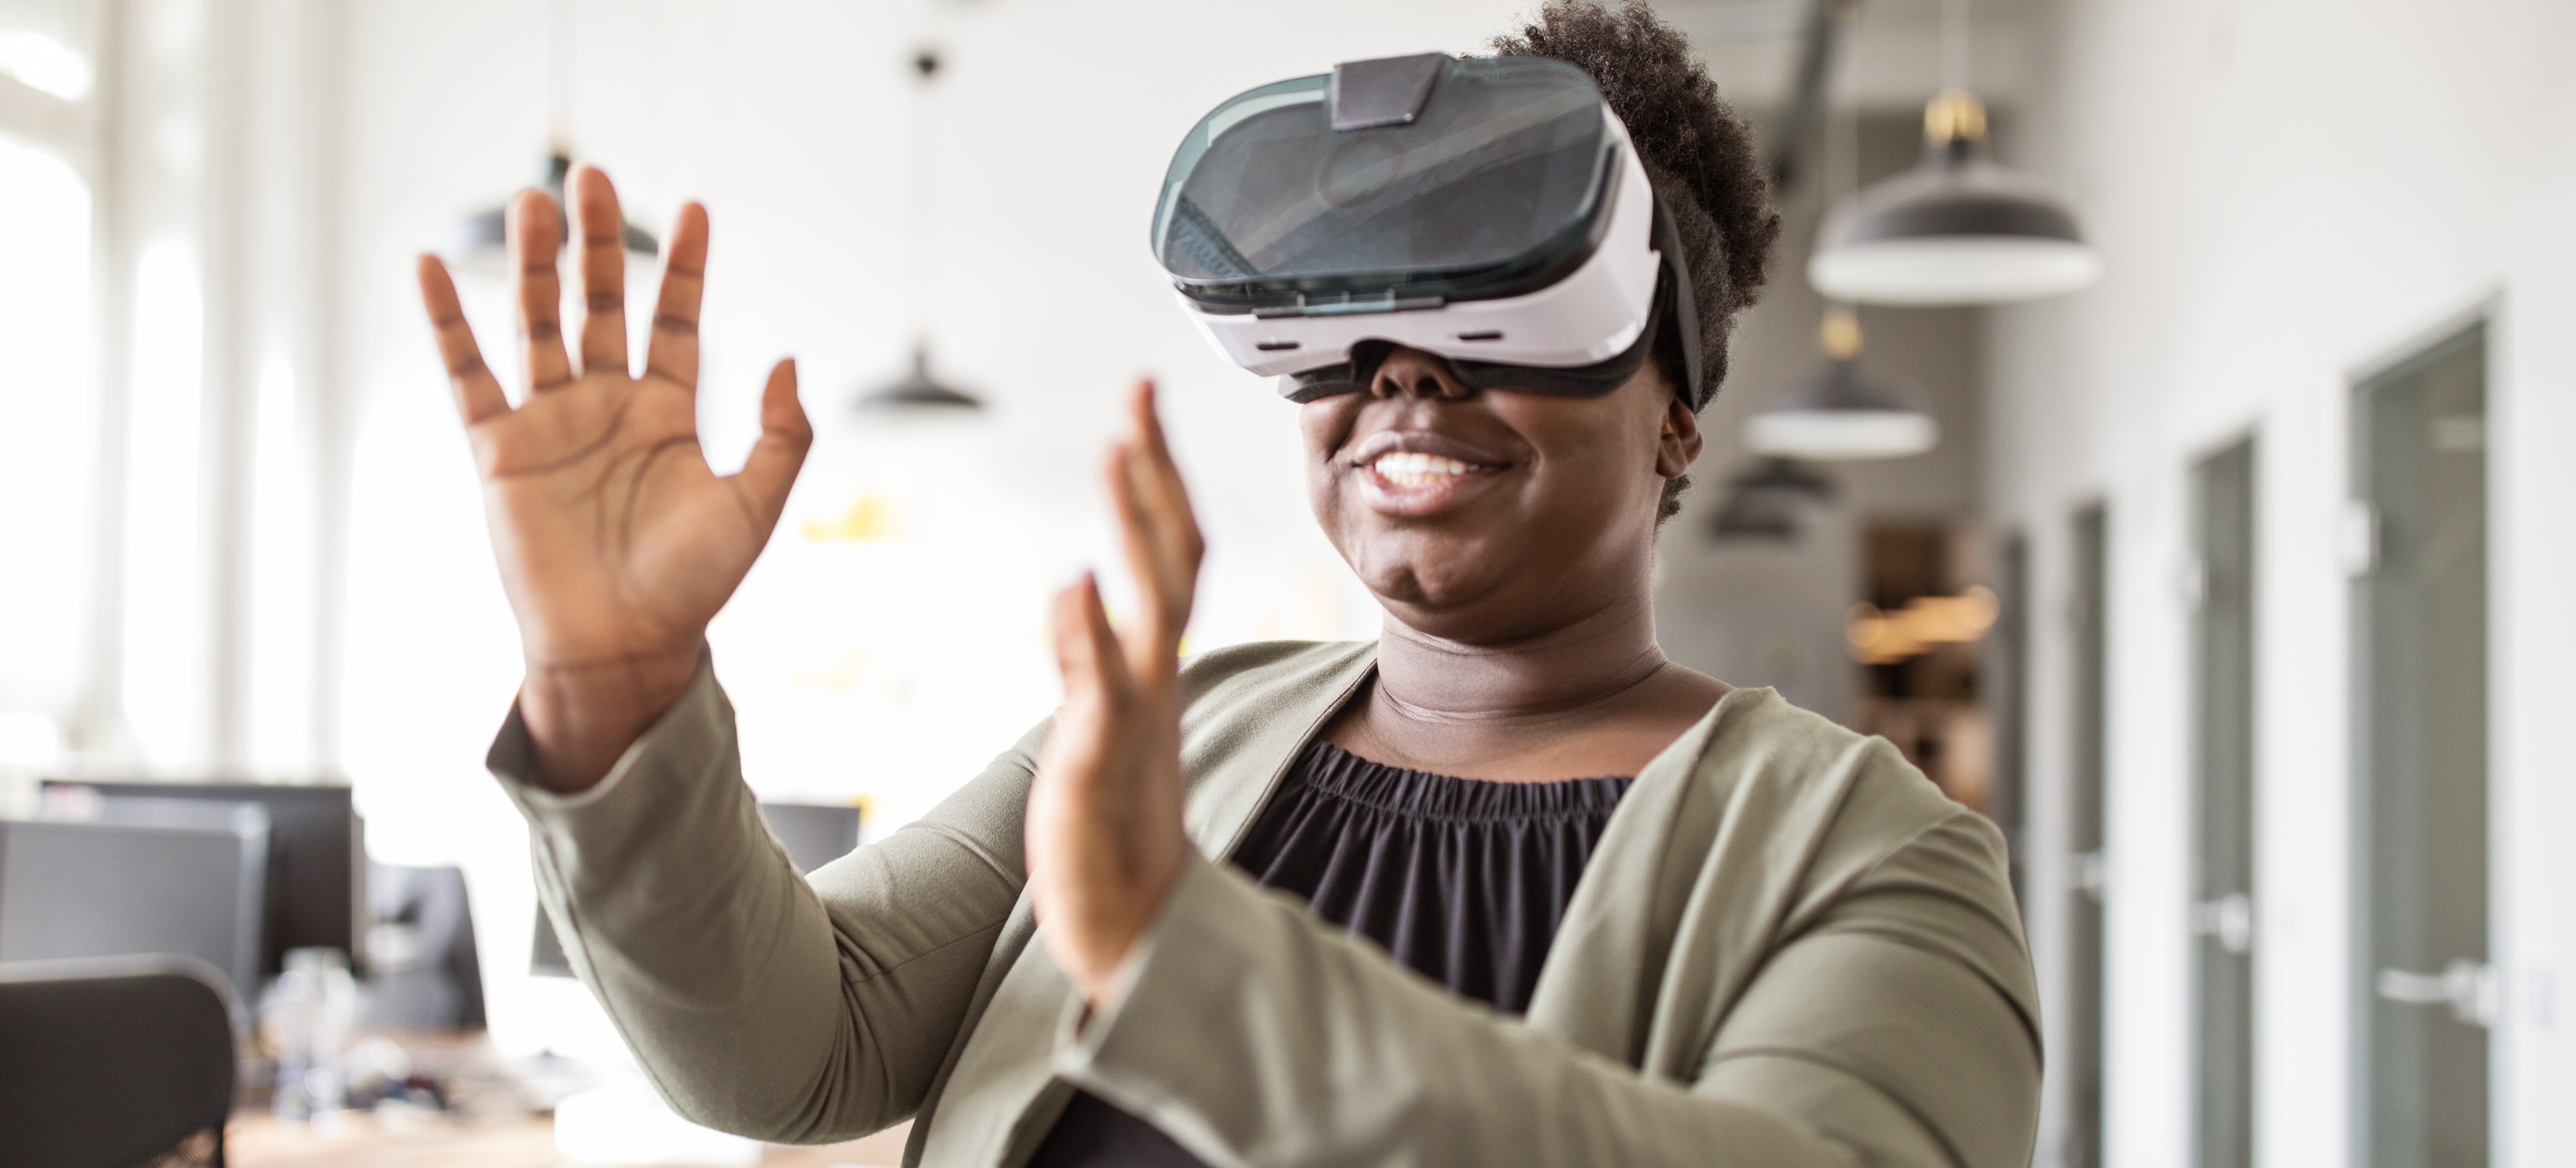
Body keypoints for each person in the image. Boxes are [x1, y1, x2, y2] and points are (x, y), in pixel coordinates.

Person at [414, 3, 2038, 1165]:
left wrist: (1185, 966)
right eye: (1367, 328)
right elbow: (793, 1044)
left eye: (1500, 312)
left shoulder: (1874, 857)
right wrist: (614, 691)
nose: (1409, 374)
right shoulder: (1175, 734)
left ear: (1673, 406)